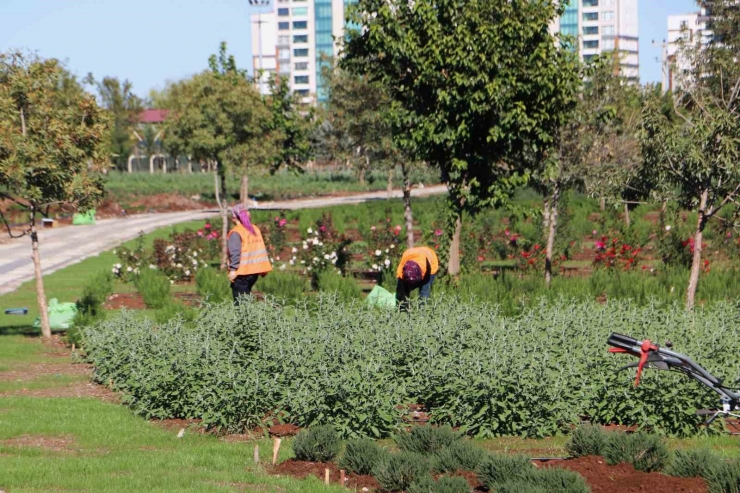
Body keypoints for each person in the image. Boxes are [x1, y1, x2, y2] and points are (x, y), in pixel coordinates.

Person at [227, 204, 272, 303]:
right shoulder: (254, 229)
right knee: (246, 299)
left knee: (241, 305)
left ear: (234, 218)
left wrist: (233, 270)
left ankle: (247, 318)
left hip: (242, 273)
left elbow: (235, 253)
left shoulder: (236, 232)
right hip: (254, 272)